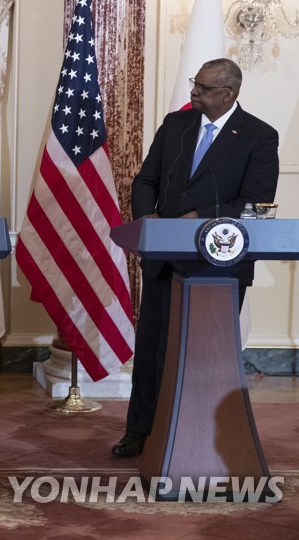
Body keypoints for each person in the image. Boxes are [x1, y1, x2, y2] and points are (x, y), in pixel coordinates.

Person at [112, 58, 279, 458]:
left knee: (206, 356)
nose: (194, 93)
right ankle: (141, 432)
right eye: (194, 84)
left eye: (203, 89)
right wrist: (146, 215)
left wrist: (201, 218)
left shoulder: (259, 136)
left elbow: (255, 202)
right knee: (151, 352)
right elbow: (146, 179)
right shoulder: (176, 126)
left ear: (228, 94)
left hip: (218, 266)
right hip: (164, 260)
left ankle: (202, 436)